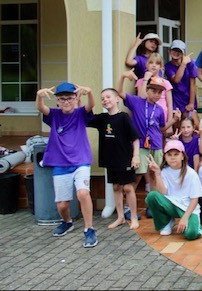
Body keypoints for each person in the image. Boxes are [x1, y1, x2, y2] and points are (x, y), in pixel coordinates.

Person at [36, 82, 98, 247]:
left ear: (76, 99)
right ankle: (67, 222)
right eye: (62, 99)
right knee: (62, 205)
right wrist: (39, 96)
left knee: (83, 193)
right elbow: (41, 108)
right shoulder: (54, 115)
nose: (66, 102)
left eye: (70, 98)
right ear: (57, 101)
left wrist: (89, 92)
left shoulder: (80, 113)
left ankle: (89, 229)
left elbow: (91, 105)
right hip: (60, 164)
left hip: (81, 161)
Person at [118, 71, 181, 218]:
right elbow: (120, 93)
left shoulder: (159, 109)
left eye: (160, 92)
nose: (157, 94)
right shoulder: (137, 102)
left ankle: (151, 206)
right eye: (154, 91)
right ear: (147, 90)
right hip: (140, 145)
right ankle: (128, 208)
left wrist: (174, 120)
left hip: (156, 145)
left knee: (153, 175)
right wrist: (122, 77)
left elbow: (162, 128)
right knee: (138, 176)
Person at [88, 88, 141, 230]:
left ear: (117, 99)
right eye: (102, 98)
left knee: (128, 188)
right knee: (116, 187)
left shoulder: (124, 117)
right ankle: (120, 217)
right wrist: (83, 97)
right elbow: (86, 116)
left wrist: (136, 156)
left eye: (108, 97)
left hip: (125, 158)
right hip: (110, 159)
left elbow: (135, 138)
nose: (105, 100)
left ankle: (133, 217)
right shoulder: (102, 119)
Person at [145, 140, 202, 240]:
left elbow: (195, 199)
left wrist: (184, 218)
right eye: (169, 155)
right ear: (165, 157)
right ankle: (166, 223)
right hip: (171, 204)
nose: (172, 157)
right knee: (152, 196)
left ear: (182, 156)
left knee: (191, 234)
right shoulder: (164, 171)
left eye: (176, 154)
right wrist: (157, 173)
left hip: (187, 208)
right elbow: (162, 193)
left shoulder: (191, 173)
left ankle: (196, 226)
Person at [165, 40, 198, 120]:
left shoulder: (191, 63)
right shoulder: (168, 66)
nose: (176, 53)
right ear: (169, 51)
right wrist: (183, 64)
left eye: (179, 51)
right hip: (175, 98)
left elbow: (193, 84)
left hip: (188, 97)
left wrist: (191, 103)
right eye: (174, 50)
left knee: (191, 122)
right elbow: (176, 80)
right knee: (176, 122)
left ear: (183, 53)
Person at [135, 53, 173, 121]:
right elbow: (141, 98)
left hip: (162, 118)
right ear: (147, 65)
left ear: (161, 66)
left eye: (157, 63)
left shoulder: (166, 83)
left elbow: (170, 105)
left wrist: (169, 123)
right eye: (151, 62)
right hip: (146, 116)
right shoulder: (141, 81)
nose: (154, 65)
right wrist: (145, 80)